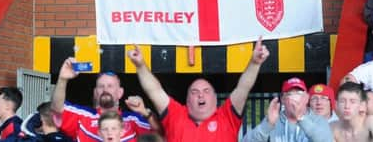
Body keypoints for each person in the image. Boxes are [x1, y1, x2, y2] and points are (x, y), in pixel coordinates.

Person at [127, 38, 269, 142]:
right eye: (194, 92)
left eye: (206, 91)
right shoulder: (176, 115)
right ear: (187, 101)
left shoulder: (227, 117)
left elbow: (243, 88)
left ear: (215, 99)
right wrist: (140, 65)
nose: (200, 95)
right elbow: (155, 91)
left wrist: (255, 63)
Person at [50, 60, 155, 141]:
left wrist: (144, 112)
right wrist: (62, 79)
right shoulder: (83, 116)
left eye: (110, 86)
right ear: (95, 92)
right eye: (101, 86)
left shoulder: (133, 120)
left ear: (120, 92)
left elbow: (162, 133)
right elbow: (56, 109)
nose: (105, 89)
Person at [241, 77, 332, 142]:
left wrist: (301, 118)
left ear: (306, 98)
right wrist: (267, 125)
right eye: (290, 94)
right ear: (283, 99)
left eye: (299, 93)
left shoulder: (318, 120)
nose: (294, 98)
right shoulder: (274, 119)